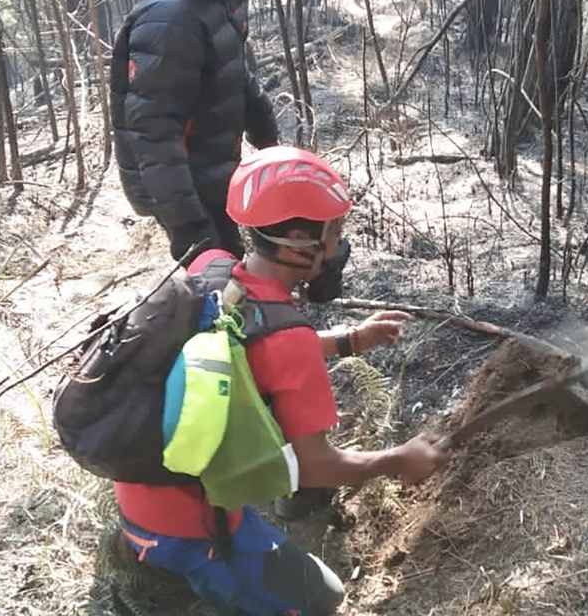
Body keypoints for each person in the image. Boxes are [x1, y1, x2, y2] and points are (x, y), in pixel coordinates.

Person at [114, 146, 449, 615]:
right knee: (322, 599)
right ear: (298, 239)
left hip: (141, 484)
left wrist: (352, 339)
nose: (337, 248)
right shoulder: (287, 339)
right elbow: (318, 466)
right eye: (333, 233)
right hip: (192, 529)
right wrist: (400, 458)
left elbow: (248, 344)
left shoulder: (212, 268)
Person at [109, 0, 284, 265]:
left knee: (242, 274)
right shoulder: (172, 17)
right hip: (185, 185)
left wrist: (270, 144)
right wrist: (191, 233)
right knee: (222, 286)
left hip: (214, 169)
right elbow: (153, 135)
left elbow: (231, 71)